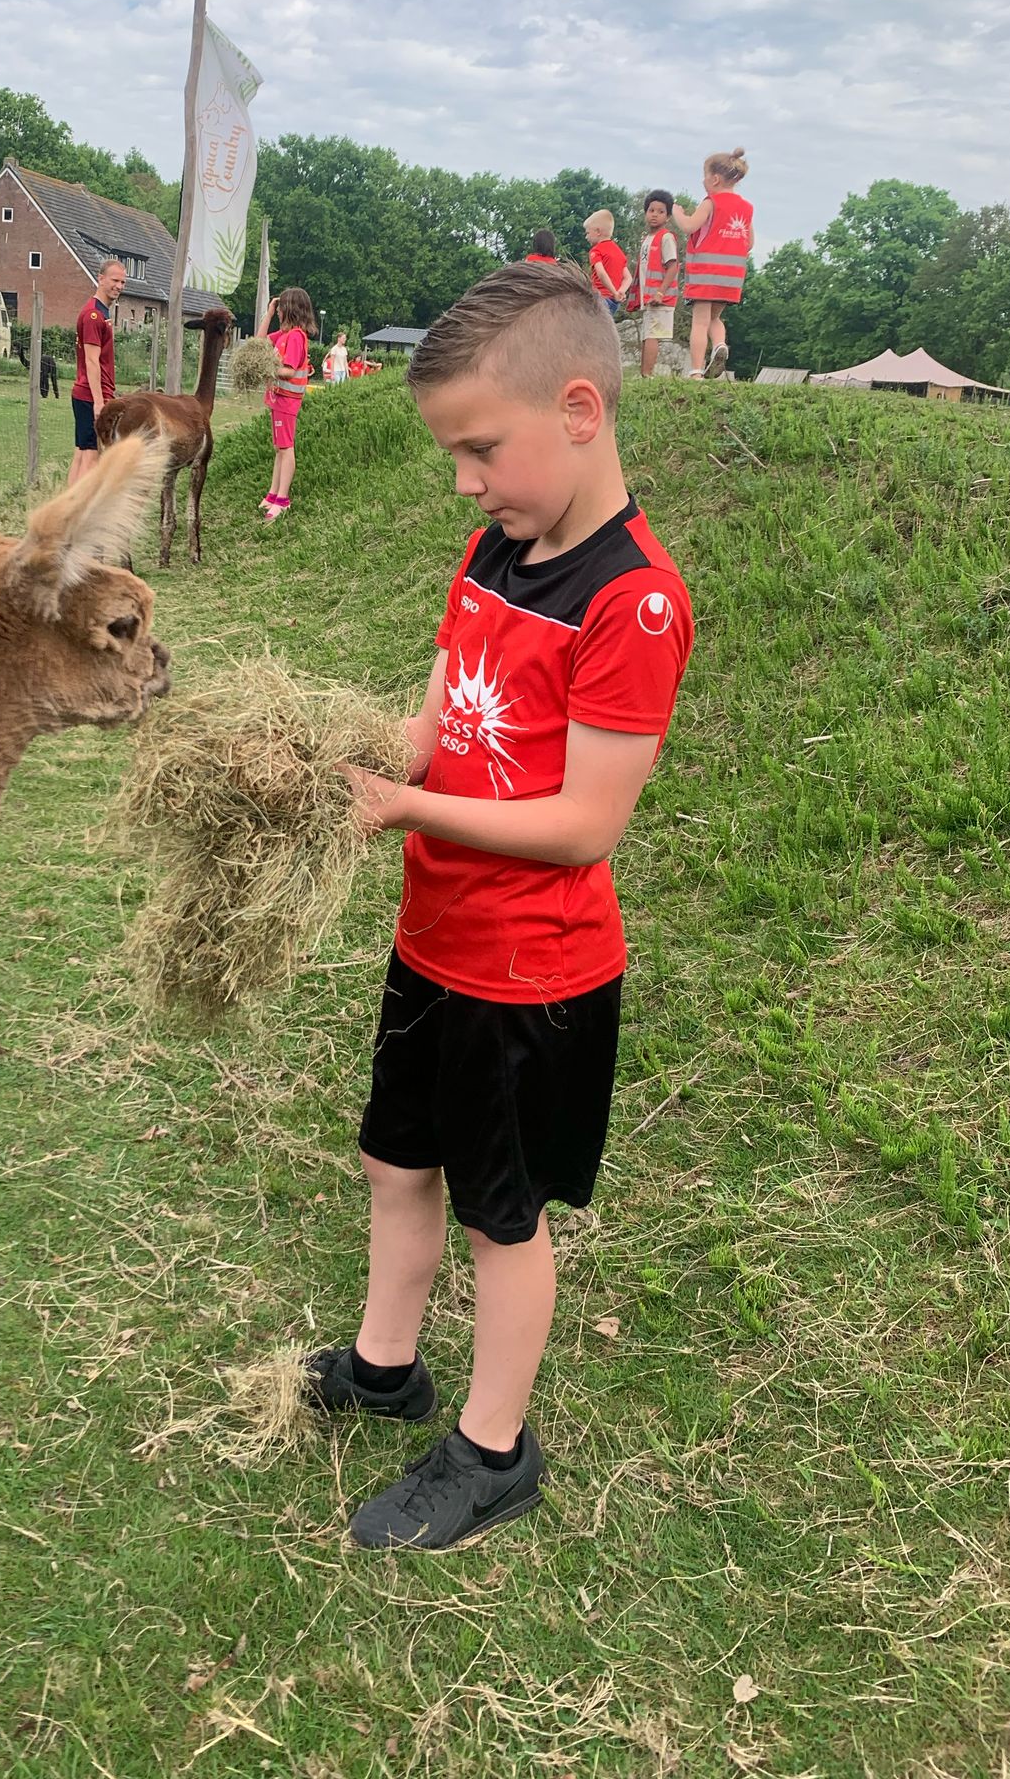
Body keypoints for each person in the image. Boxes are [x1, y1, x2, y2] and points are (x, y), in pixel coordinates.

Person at [310, 259, 693, 1551]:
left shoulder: (634, 600)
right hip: (435, 941)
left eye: (482, 449)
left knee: (500, 1215)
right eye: (455, 456)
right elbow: (435, 718)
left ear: (578, 411)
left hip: (532, 975)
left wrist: (409, 809)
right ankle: (385, 1367)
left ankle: (492, 1448)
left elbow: (586, 825)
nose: (467, 483)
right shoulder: (493, 550)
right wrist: (362, 766)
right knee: (394, 1157)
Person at [671, 148, 753, 378]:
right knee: (714, 318)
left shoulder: (711, 203)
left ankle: (696, 371)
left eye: (705, 175)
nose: (703, 181)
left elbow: (689, 226)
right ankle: (719, 344)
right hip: (732, 276)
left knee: (700, 322)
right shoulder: (746, 208)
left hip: (706, 272)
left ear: (715, 179)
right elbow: (749, 242)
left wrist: (677, 212)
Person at [257, 286, 315, 521]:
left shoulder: (296, 337)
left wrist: (267, 368)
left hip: (287, 401)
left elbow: (289, 371)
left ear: (289, 310)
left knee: (286, 448)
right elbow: (259, 343)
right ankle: (273, 494)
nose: (278, 311)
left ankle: (283, 499)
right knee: (280, 448)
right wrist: (268, 314)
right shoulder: (283, 335)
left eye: (280, 308)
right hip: (278, 399)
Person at [70, 257, 126, 485]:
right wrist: (99, 402)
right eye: (114, 280)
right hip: (91, 394)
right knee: (91, 457)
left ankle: (69, 502)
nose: (119, 286)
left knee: (81, 452)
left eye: (122, 282)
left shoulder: (102, 312)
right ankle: (82, 503)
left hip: (86, 393)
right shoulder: (93, 315)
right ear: (100, 279)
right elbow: (92, 361)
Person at [628, 192, 680, 378]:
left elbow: (673, 266)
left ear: (668, 216)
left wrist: (660, 292)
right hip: (648, 297)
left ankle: (647, 375)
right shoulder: (647, 239)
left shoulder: (666, 238)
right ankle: (644, 373)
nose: (655, 215)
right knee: (647, 333)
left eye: (660, 211)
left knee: (652, 334)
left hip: (659, 297)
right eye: (651, 210)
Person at [583, 210, 630, 314]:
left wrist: (614, 292)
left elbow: (601, 273)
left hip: (600, 298)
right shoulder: (618, 251)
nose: (586, 237)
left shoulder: (596, 250)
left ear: (598, 231)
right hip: (614, 302)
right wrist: (620, 292)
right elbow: (628, 278)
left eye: (588, 233)